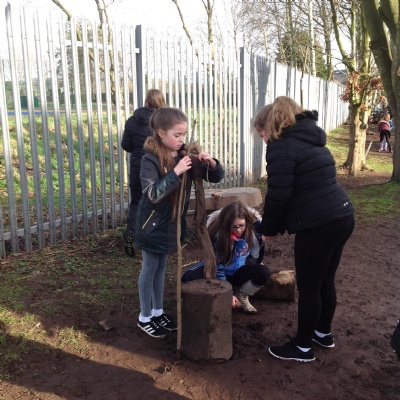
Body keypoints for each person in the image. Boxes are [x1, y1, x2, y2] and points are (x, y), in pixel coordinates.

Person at [254, 96, 355, 362]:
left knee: (309, 287)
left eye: (262, 133)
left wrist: (269, 228)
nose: (263, 139)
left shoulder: (281, 147)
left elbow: (279, 195)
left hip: (319, 224)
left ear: (270, 126)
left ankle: (302, 347)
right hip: (342, 215)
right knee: (325, 280)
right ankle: (322, 333)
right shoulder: (312, 140)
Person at [135, 107, 225, 338]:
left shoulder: (185, 156)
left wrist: (211, 163)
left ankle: (158, 312)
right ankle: (145, 316)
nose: (181, 139)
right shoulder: (150, 159)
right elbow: (152, 194)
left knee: (161, 268)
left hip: (171, 226)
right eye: (177, 135)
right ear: (161, 133)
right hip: (152, 225)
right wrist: (175, 173)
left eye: (183, 134)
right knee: (150, 268)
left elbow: (214, 177)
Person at [182, 200, 271, 313]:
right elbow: (218, 267)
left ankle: (243, 295)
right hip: (219, 272)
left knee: (264, 271)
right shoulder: (218, 236)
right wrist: (228, 293)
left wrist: (254, 263)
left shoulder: (254, 231)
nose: (238, 230)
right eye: (234, 227)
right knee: (190, 278)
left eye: (241, 225)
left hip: (238, 272)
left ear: (247, 222)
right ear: (226, 224)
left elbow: (257, 250)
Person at [121, 89, 167, 257]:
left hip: (136, 167)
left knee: (136, 201)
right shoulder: (163, 122)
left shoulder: (132, 121)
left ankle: (131, 232)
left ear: (146, 101)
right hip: (155, 167)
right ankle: (150, 238)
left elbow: (126, 145)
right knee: (155, 201)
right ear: (161, 101)